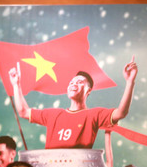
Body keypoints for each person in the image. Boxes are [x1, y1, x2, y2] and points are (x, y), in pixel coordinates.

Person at [9, 57, 138, 149]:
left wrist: (130, 81)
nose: (73, 84)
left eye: (79, 82)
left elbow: (121, 112)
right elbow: (23, 112)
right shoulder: (53, 114)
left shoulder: (94, 115)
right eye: (71, 82)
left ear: (88, 90)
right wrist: (16, 84)